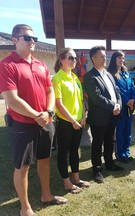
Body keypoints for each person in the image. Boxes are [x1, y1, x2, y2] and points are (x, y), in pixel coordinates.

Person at [0, 24, 67, 216]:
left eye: (34, 39)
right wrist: (37, 116)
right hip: (22, 123)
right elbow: (12, 99)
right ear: (15, 40)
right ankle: (25, 208)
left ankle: (46, 195)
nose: (32, 42)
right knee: (23, 166)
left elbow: (50, 90)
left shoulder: (41, 65)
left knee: (44, 160)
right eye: (27, 38)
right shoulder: (7, 65)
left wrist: (48, 112)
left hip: (46, 121)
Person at [83, 46, 123, 184]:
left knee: (109, 141)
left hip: (112, 115)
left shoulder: (109, 74)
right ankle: (97, 169)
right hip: (99, 117)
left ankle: (110, 164)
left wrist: (118, 104)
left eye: (105, 56)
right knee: (97, 143)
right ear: (93, 58)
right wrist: (113, 106)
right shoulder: (90, 76)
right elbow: (96, 97)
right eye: (101, 56)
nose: (105, 58)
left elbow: (116, 92)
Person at [52, 48, 90, 194]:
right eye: (70, 58)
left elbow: (80, 100)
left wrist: (84, 116)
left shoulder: (75, 78)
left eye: (75, 58)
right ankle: (67, 183)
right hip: (65, 122)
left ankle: (76, 178)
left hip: (79, 121)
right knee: (63, 152)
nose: (74, 60)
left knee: (75, 150)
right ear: (61, 60)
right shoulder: (57, 78)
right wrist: (73, 121)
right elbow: (58, 104)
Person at [107, 51, 135, 163]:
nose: (121, 60)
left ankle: (126, 152)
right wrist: (125, 101)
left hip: (129, 107)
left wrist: (133, 99)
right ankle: (120, 154)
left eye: (123, 58)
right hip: (119, 107)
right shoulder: (110, 74)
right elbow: (116, 91)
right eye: (119, 58)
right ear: (114, 59)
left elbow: (132, 87)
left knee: (127, 131)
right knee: (119, 131)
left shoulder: (126, 72)